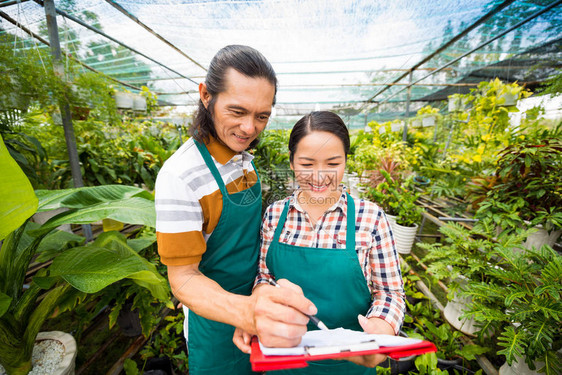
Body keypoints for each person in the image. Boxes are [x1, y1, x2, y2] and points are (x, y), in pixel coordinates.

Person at [155, 45, 316, 375]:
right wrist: (247, 313)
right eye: (237, 112)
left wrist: (263, 288)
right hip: (218, 322)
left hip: (260, 302)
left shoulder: (243, 159)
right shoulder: (181, 176)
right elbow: (183, 280)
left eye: (262, 116)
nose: (249, 129)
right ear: (205, 96)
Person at [237, 111, 406, 374]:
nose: (319, 177)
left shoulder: (370, 218)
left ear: (346, 162)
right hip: (284, 358)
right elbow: (264, 276)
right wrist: (262, 300)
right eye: (307, 164)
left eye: (332, 164)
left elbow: (390, 293)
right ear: (292, 162)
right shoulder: (275, 215)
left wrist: (381, 327)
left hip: (352, 361)